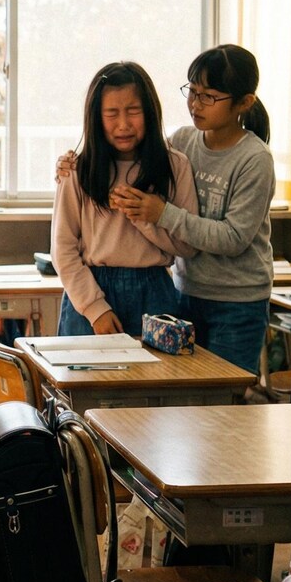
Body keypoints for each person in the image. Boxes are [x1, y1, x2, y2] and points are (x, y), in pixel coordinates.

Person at [107, 44, 274, 375]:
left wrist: (163, 214)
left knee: (226, 403)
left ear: (244, 102)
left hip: (238, 304)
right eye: (192, 91)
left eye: (209, 96)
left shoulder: (255, 159)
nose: (195, 104)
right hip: (185, 293)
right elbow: (129, 157)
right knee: (186, 398)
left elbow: (233, 238)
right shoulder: (183, 140)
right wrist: (72, 162)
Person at [52, 61, 198, 339]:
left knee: (156, 381)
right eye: (111, 113)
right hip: (90, 292)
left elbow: (187, 247)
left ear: (150, 112)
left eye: (133, 111)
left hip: (155, 291)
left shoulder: (175, 166)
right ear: (96, 117)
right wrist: (96, 309)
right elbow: (63, 250)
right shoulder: (77, 169)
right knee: (87, 380)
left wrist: (147, 217)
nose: (123, 125)